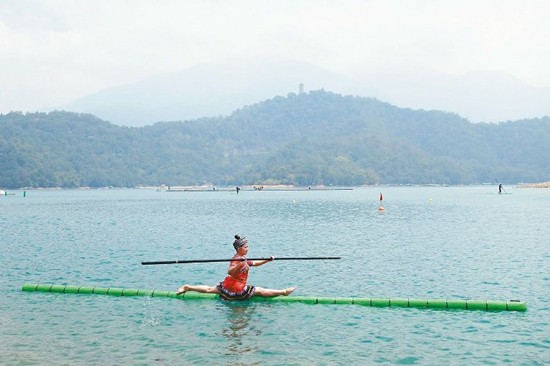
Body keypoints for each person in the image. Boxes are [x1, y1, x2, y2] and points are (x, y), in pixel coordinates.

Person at [176, 235, 296, 300]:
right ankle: (284, 292)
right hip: (235, 286)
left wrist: (268, 260)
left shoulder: (244, 258)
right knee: (260, 291)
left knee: (209, 290)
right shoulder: (236, 258)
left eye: (248, 247)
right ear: (239, 249)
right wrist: (239, 264)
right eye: (245, 247)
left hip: (232, 285)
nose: (247, 249)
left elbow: (256, 263)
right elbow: (230, 271)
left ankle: (189, 287)